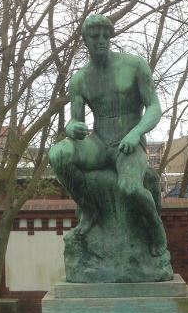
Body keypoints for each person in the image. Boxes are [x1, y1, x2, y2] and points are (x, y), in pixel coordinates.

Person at [49, 14, 167, 256]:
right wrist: (71, 127)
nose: (101, 40)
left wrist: (136, 133)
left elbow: (154, 107)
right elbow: (76, 121)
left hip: (129, 144)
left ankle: (156, 227)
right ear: (85, 40)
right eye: (95, 36)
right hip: (99, 143)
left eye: (106, 35)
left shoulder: (134, 65)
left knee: (130, 188)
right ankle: (89, 209)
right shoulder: (80, 79)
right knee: (58, 153)